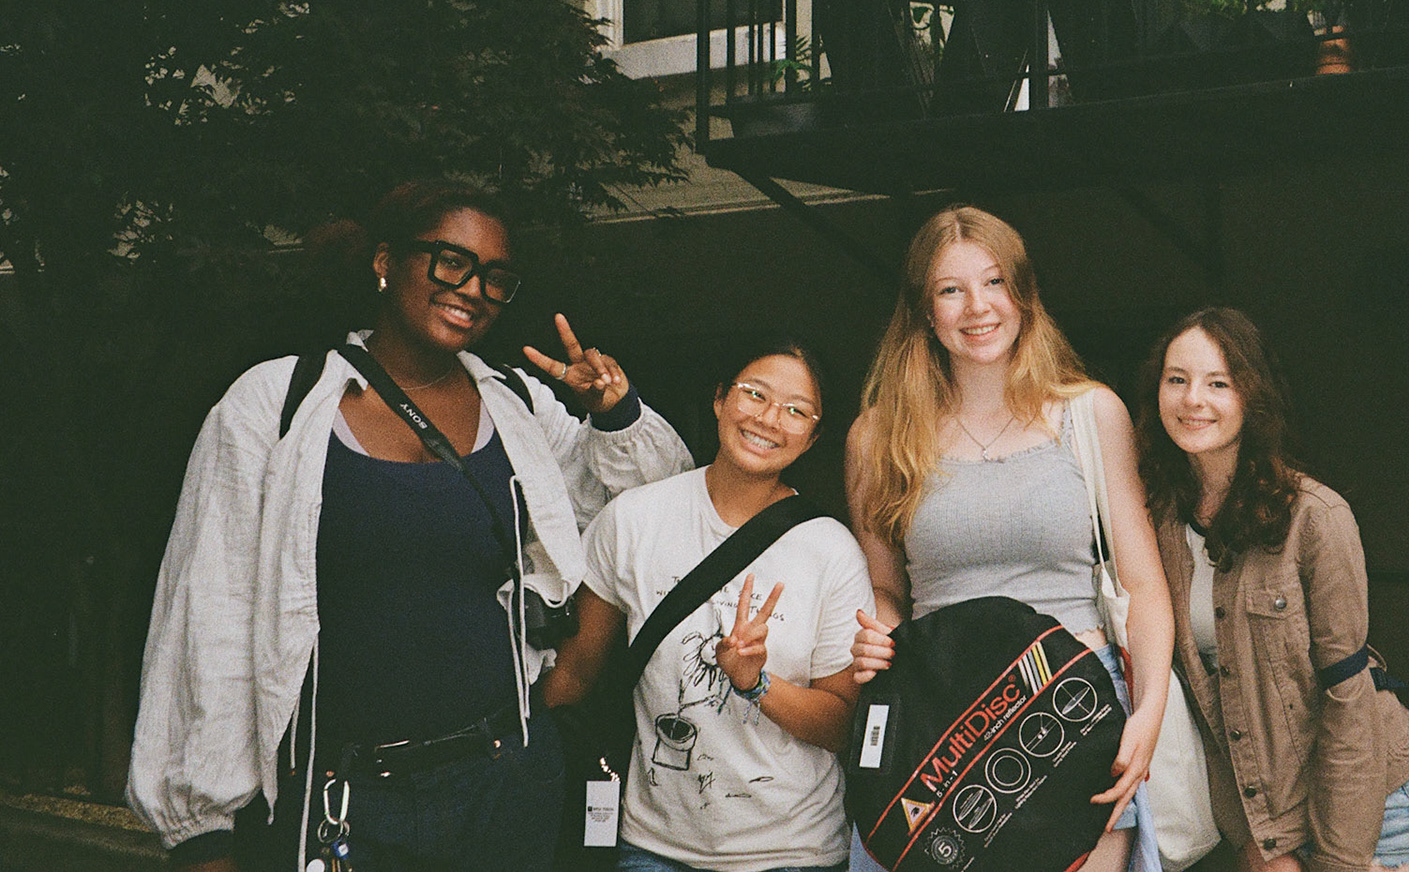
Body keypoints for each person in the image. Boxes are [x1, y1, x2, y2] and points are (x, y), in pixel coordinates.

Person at [128, 180, 693, 872]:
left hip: (506, 788)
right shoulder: (278, 406)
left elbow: (652, 509)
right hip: (345, 800)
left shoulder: (518, 407)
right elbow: (210, 615)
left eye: (496, 277)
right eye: (452, 262)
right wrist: (204, 832)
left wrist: (613, 412)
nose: (474, 289)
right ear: (385, 262)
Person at [845, 204, 1174, 872]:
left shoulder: (1090, 414)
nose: (978, 307)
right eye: (951, 289)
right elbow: (885, 588)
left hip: (1075, 707)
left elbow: (1143, 585)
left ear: (1024, 295)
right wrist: (878, 632)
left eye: (994, 282)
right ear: (924, 310)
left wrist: (1148, 714)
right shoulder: (878, 436)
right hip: (943, 724)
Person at [1136, 307, 1409, 872]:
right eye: (1176, 379)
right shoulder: (1157, 524)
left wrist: (1339, 861)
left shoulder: (1315, 518)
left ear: (1251, 396)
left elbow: (1349, 698)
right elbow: (1204, 711)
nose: (1192, 400)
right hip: (1271, 820)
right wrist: (1255, 843)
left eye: (1218, 383)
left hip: (1374, 806)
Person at [542, 339, 872, 872]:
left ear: (813, 437)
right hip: (652, 848)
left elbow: (841, 723)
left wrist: (756, 682)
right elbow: (575, 673)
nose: (769, 419)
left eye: (796, 411)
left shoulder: (831, 551)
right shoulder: (634, 521)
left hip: (790, 853)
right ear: (720, 399)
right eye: (755, 394)